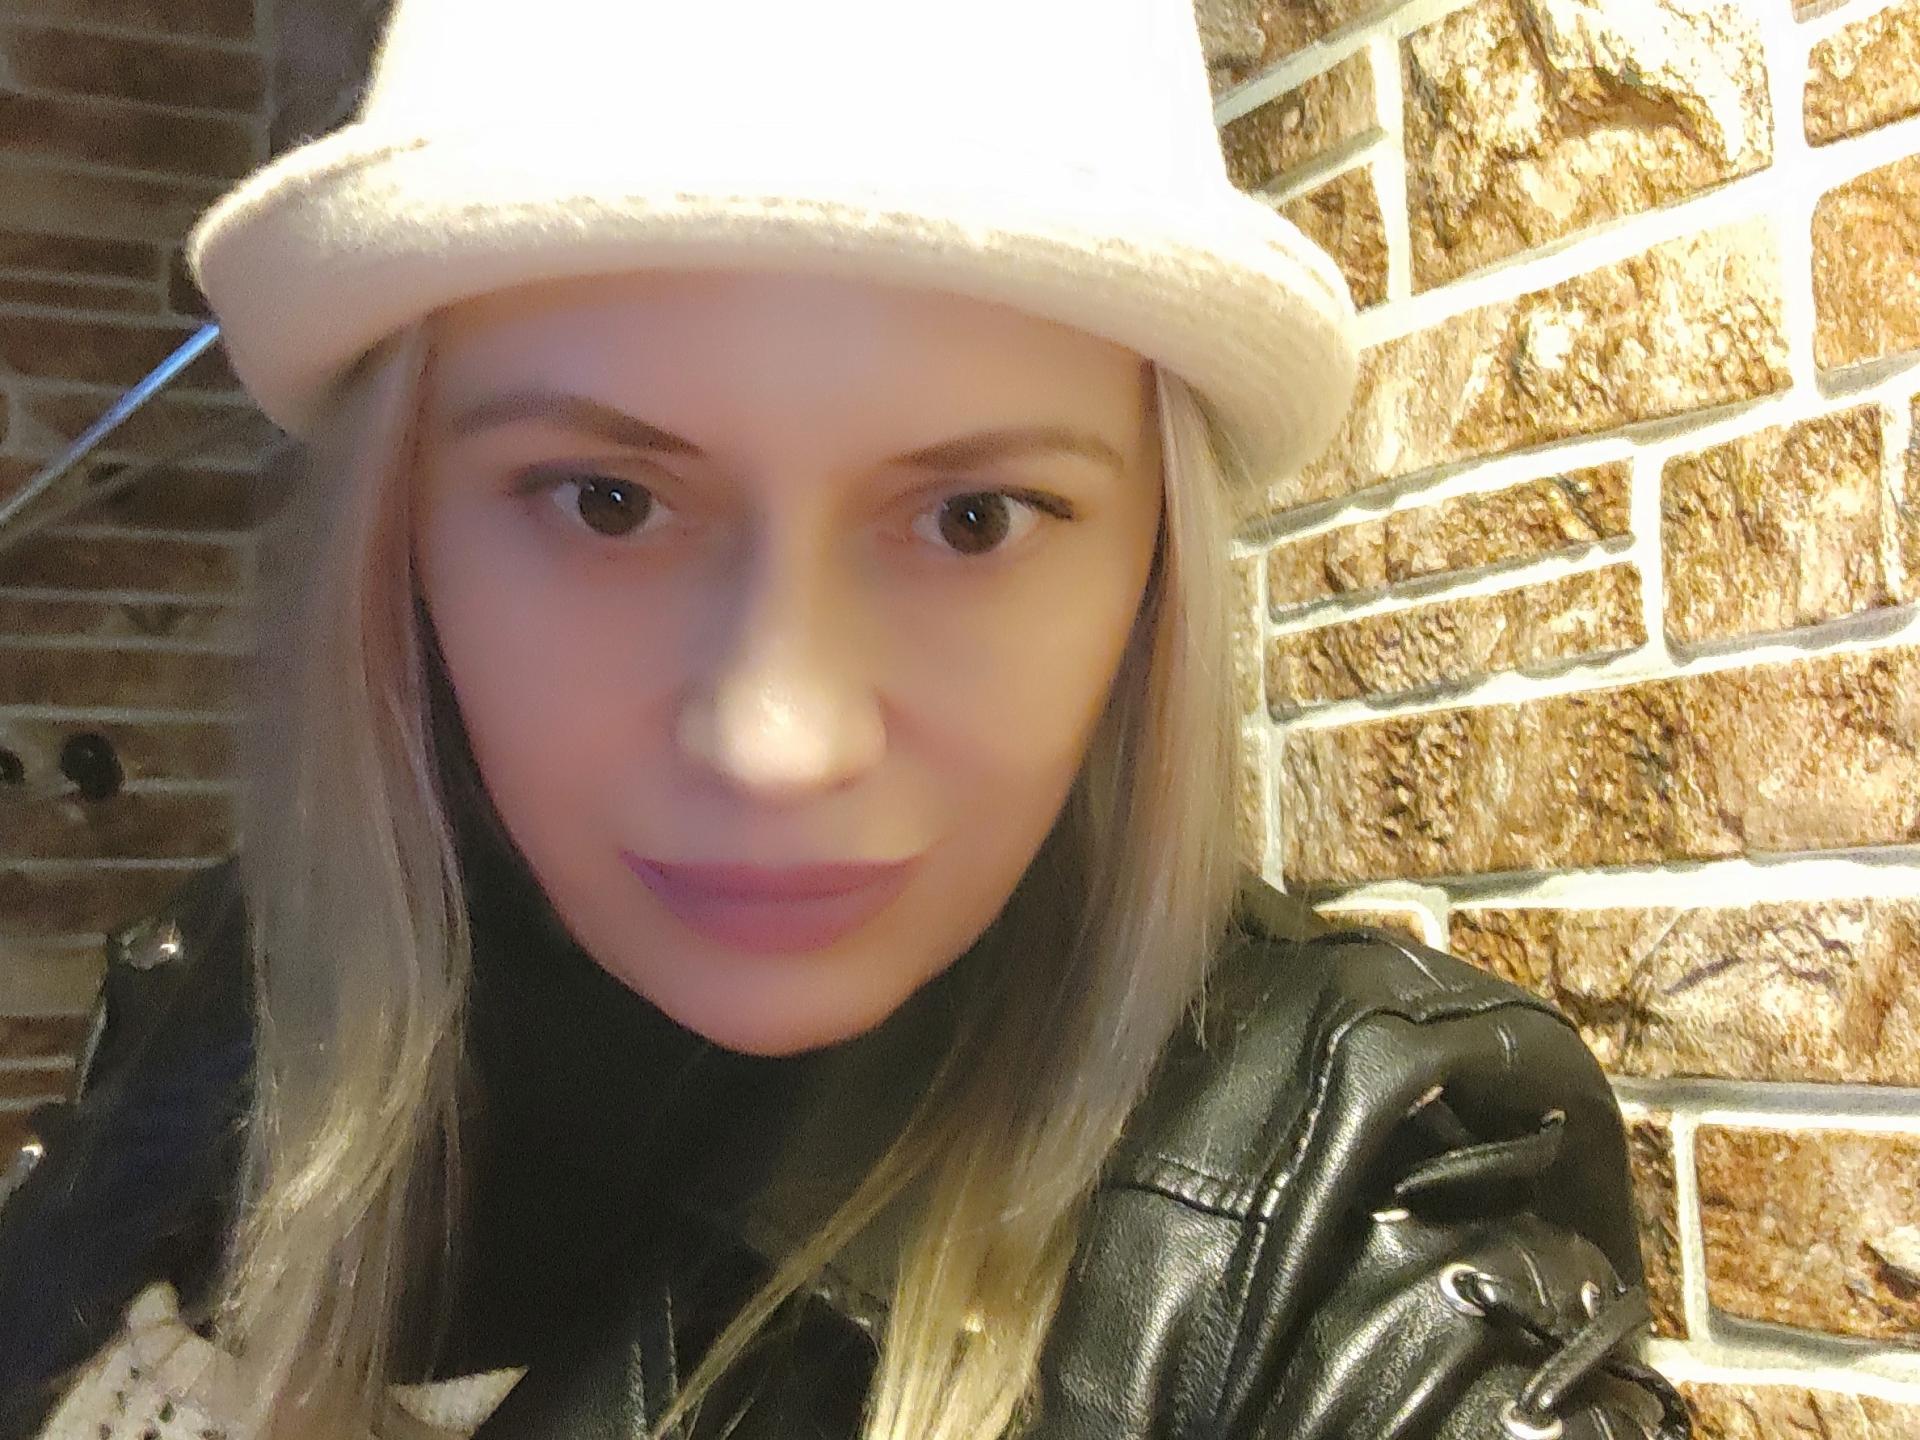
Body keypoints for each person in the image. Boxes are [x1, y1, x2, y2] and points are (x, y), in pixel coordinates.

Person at [0, 1, 1695, 1438]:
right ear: (404, 538)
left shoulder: (1349, 1206)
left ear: (1153, 569)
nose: (779, 742)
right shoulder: (212, 1000)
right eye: (607, 501)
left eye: (972, 518)